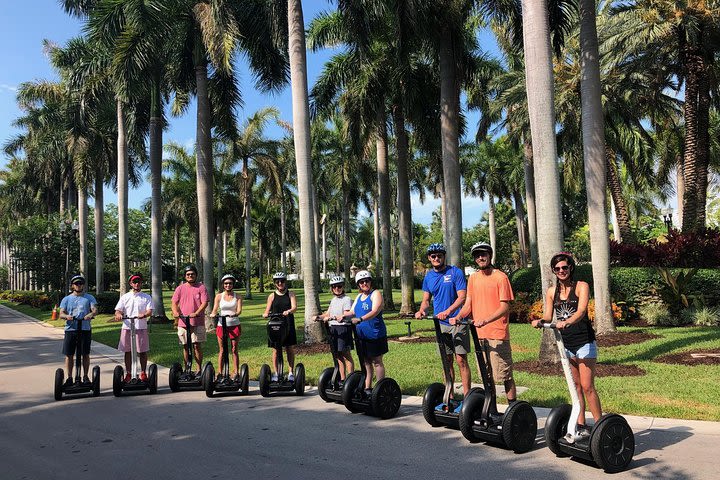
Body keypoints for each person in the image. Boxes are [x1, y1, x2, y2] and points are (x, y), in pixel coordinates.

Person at [532, 252, 600, 436]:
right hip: (566, 343)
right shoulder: (551, 292)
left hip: (584, 341)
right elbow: (548, 315)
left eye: (564, 267)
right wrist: (540, 321)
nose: (561, 271)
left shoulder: (581, 286)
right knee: (575, 386)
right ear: (554, 271)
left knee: (587, 386)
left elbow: (582, 310)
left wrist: (567, 321)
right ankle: (581, 425)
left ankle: (601, 427)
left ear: (571, 268)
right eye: (557, 268)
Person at [450, 241, 517, 403]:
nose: (481, 258)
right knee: (486, 376)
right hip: (480, 334)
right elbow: (468, 303)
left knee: (504, 375)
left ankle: (513, 408)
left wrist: (486, 320)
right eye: (477, 255)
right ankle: (492, 408)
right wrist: (459, 316)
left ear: (490, 255)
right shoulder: (473, 278)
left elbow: (504, 307)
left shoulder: (501, 277)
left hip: (497, 334)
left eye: (483, 254)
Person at [415, 243, 470, 411]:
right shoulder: (429, 276)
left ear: (444, 256)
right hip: (441, 324)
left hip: (458, 322)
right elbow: (426, 299)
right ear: (429, 259)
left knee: (461, 360)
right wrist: (422, 310)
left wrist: (448, 312)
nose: (436, 258)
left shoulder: (455, 272)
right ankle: (450, 397)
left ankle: (468, 400)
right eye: (433, 256)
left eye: (439, 255)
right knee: (447, 361)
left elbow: (462, 297)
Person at [344, 270, 387, 396]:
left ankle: (380, 389)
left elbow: (375, 310)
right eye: (361, 282)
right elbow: (351, 312)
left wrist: (361, 319)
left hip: (375, 333)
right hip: (361, 335)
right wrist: (338, 316)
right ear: (358, 285)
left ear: (370, 281)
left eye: (366, 281)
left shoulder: (376, 294)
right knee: (366, 361)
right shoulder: (358, 297)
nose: (364, 284)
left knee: (377, 361)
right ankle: (367, 388)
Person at [59, 274, 98, 385]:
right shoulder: (66, 299)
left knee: (85, 354)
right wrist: (67, 317)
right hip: (71, 329)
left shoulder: (89, 297)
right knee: (69, 354)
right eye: (76, 283)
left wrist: (90, 314)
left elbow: (95, 310)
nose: (78, 285)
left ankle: (85, 377)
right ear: (72, 285)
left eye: (80, 283)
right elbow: (61, 313)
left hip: (85, 329)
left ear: (83, 285)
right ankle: (70, 378)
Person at [114, 274, 153, 382]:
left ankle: (143, 372)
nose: (136, 283)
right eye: (134, 282)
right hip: (127, 327)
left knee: (142, 351)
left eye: (138, 281)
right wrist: (118, 314)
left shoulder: (146, 297)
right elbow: (118, 310)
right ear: (130, 283)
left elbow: (150, 310)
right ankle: (129, 373)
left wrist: (144, 314)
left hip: (140, 327)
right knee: (128, 351)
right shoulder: (125, 297)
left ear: (141, 283)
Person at [171, 264, 209, 374]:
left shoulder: (201, 287)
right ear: (185, 276)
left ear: (196, 275)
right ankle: (187, 368)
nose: (190, 276)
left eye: (192, 274)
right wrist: (175, 312)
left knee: (196, 345)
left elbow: (205, 302)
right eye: (188, 274)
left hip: (197, 321)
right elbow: (174, 302)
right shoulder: (180, 288)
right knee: (186, 346)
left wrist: (196, 313)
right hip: (183, 322)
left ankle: (198, 368)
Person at [262, 272, 298, 382]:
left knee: (289, 348)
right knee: (276, 350)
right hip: (275, 325)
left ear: (285, 282)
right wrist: (265, 314)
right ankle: (276, 373)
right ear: (275, 283)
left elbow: (294, 307)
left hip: (288, 323)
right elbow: (267, 310)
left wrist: (289, 311)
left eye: (282, 281)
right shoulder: (272, 296)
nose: (280, 283)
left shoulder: (290, 294)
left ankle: (291, 372)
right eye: (278, 281)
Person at [319, 275, 354, 385]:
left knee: (345, 354)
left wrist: (341, 316)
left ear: (343, 286)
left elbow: (347, 313)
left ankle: (350, 379)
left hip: (343, 328)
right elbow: (327, 313)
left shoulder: (347, 299)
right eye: (334, 287)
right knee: (337, 355)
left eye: (339, 286)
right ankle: (343, 379)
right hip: (333, 329)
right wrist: (318, 317)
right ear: (331, 288)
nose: (337, 288)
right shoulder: (333, 300)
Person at [210, 273, 243, 381]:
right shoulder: (219, 296)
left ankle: (236, 372)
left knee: (234, 349)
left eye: (230, 283)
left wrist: (235, 314)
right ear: (223, 285)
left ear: (233, 284)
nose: (228, 285)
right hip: (221, 325)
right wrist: (213, 313)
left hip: (234, 324)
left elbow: (239, 310)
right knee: (222, 350)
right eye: (226, 283)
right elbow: (215, 309)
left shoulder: (237, 296)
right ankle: (220, 373)